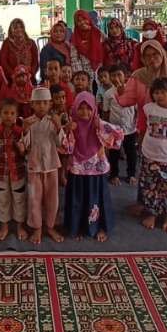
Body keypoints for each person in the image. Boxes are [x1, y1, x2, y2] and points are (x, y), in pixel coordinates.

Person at [63, 91, 117, 242]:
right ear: (74, 108)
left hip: (96, 168)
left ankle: (100, 226)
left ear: (94, 109)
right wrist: (67, 130)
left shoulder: (98, 123)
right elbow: (64, 147)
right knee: (77, 199)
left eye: (88, 108)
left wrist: (100, 127)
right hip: (77, 168)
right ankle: (77, 227)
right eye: (81, 108)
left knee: (97, 198)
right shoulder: (72, 124)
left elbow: (117, 136)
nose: (85, 112)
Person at [118, 40, 167, 138]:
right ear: (143, 59)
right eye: (147, 56)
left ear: (162, 54)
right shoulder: (138, 76)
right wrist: (120, 91)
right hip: (147, 133)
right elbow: (125, 102)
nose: (152, 58)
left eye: (155, 54)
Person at [139, 77, 167, 231]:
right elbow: (141, 128)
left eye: (163, 92)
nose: (159, 95)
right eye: (156, 92)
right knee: (150, 186)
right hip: (149, 156)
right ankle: (152, 214)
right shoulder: (148, 108)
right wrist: (140, 147)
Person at [22, 86, 64, 245]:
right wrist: (25, 130)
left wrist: (59, 126)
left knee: (53, 199)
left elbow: (62, 144)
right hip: (34, 167)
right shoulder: (29, 122)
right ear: (32, 104)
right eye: (38, 103)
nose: (41, 106)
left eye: (45, 103)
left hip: (52, 165)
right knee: (34, 198)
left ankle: (50, 226)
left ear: (50, 104)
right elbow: (25, 146)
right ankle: (37, 227)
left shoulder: (53, 122)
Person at [0, 98, 27, 241]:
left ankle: (19, 225)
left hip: (18, 171)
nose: (8, 116)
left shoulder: (20, 132)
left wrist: (22, 150)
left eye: (12, 113)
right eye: (5, 113)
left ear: (16, 115)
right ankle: (4, 226)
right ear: (0, 114)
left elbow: (24, 154)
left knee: (19, 198)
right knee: (2, 199)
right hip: (1, 172)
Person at [105, 64, 139, 186]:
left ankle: (131, 174)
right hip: (114, 129)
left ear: (126, 76)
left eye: (119, 74)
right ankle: (114, 175)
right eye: (113, 75)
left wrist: (137, 126)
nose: (116, 78)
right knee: (114, 153)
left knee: (131, 153)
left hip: (130, 129)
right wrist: (106, 130)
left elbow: (137, 110)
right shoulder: (108, 94)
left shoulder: (132, 92)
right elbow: (106, 111)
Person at [0, 18, 40, 83]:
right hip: (12, 80)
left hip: (29, 79)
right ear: (11, 30)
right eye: (15, 28)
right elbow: (3, 61)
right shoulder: (7, 43)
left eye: (21, 27)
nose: (19, 29)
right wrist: (13, 74)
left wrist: (31, 74)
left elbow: (35, 61)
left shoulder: (31, 43)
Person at [70, 10, 104, 79]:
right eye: (79, 21)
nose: (82, 22)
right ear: (76, 24)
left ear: (88, 19)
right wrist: (82, 78)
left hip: (101, 73)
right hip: (84, 76)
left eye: (84, 19)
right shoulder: (75, 38)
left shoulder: (97, 33)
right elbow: (74, 59)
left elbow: (105, 47)